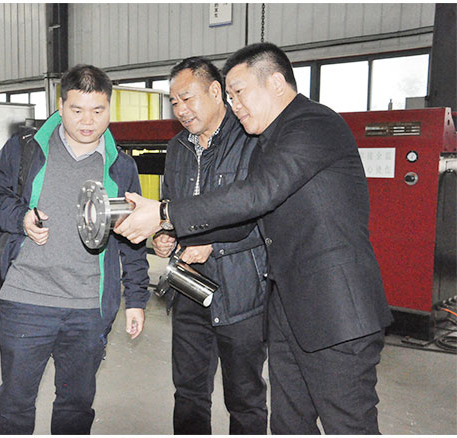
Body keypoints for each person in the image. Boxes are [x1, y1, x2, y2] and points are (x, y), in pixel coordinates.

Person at [114, 42, 393, 434]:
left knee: (347, 424)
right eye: (230, 96)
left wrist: (165, 213)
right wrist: (172, 230)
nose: (235, 104)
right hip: (287, 309)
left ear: (276, 83)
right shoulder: (268, 141)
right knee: (289, 423)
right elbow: (245, 219)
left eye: (239, 92)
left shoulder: (313, 125)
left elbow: (256, 194)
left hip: (335, 311)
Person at [0, 64, 150, 435]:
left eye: (98, 110)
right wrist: (21, 217)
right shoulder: (27, 149)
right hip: (27, 302)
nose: (87, 121)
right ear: (60, 105)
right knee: (15, 404)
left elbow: (133, 235)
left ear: (109, 107)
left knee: (75, 407)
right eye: (77, 110)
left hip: (88, 309)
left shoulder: (121, 167)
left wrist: (136, 298)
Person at [155, 56, 267, 434]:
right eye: (174, 102)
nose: (181, 110)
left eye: (188, 98)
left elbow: (262, 218)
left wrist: (211, 245)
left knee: (245, 399)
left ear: (216, 91)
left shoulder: (251, 141)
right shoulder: (177, 149)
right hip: (189, 289)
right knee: (189, 393)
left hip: (241, 292)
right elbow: (172, 206)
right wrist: (165, 235)